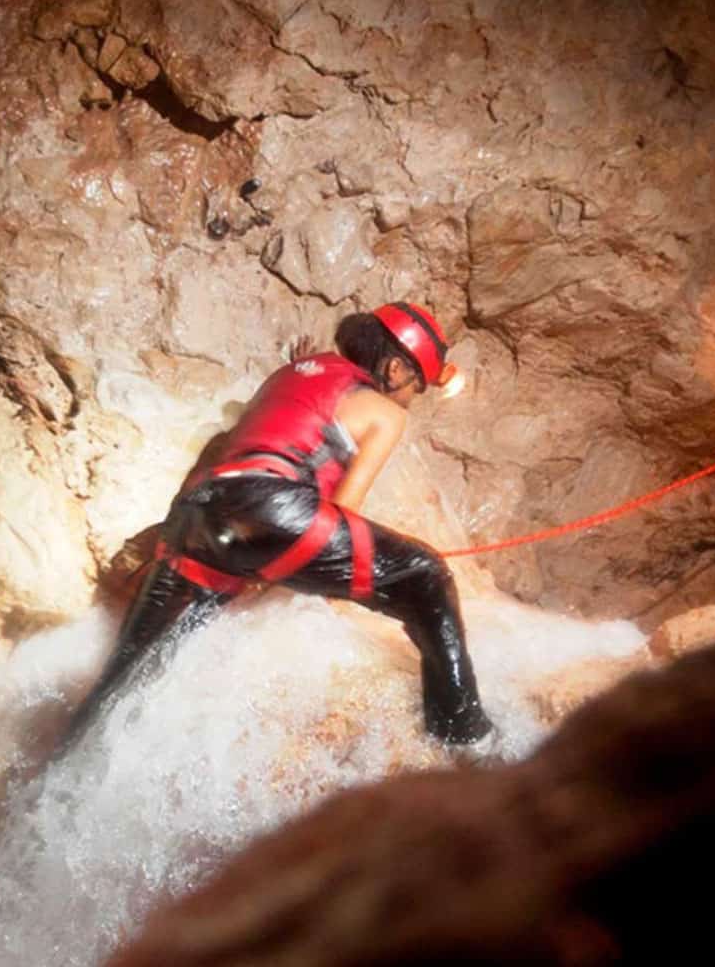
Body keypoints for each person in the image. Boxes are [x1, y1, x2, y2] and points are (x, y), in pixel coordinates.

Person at [57, 302, 494, 753]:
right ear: (398, 368)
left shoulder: (288, 377)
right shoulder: (385, 411)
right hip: (270, 507)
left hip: (191, 520)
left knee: (124, 677)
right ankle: (464, 737)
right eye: (416, 387)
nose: (410, 400)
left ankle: (59, 777)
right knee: (426, 574)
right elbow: (344, 511)